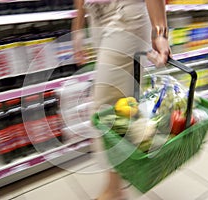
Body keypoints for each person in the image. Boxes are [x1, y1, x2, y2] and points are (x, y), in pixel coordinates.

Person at [72, 0, 171, 199]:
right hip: (96, 15)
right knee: (121, 104)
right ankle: (122, 173)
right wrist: (78, 25)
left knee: (104, 108)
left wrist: (160, 31)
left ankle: (114, 187)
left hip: (126, 12)